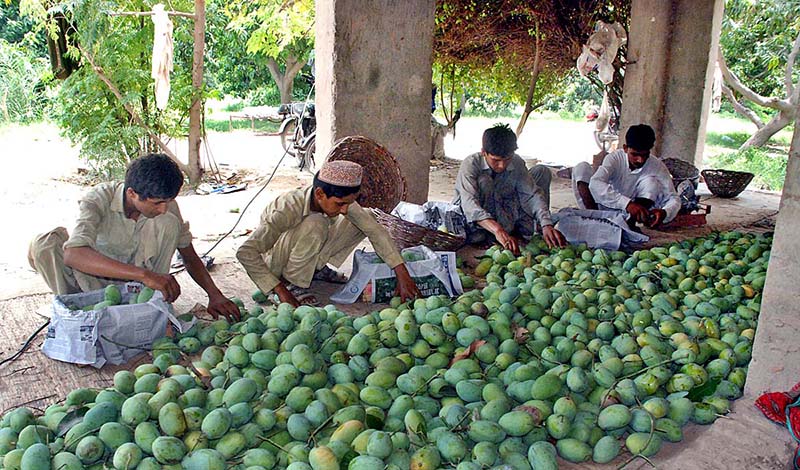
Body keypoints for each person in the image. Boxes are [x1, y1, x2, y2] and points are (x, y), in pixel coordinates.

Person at [28, 154, 240, 321]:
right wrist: (143, 274)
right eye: (156, 203)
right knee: (45, 242)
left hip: (140, 290)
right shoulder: (99, 199)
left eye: (168, 200)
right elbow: (74, 254)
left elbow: (189, 255)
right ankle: (78, 312)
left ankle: (153, 302)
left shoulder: (166, 208)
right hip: (94, 285)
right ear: (131, 194)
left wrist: (214, 294)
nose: (164, 208)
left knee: (168, 221)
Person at [236, 160, 422, 307]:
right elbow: (246, 252)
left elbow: (375, 231)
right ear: (319, 194)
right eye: (340, 204)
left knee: (366, 217)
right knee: (316, 223)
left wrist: (402, 274)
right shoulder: (287, 208)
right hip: (276, 262)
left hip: (305, 249)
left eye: (348, 203)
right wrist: (279, 290)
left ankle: (314, 269)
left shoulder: (341, 202)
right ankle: (293, 283)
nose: (344, 209)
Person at [453, 123, 567, 253]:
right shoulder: (471, 164)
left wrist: (546, 223)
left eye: (507, 159)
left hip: (503, 211)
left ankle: (522, 232)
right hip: (475, 223)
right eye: (496, 160)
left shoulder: (516, 161)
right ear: (483, 152)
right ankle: (488, 236)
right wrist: (497, 230)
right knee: (484, 181)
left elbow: (531, 194)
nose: (502, 166)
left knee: (541, 171)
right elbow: (469, 204)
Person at [572, 123, 680, 229]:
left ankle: (629, 224)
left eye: (644, 155)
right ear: (625, 148)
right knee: (581, 168)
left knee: (651, 182)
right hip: (602, 206)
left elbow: (673, 198)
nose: (640, 160)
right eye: (635, 154)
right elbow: (596, 184)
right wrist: (626, 204)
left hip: (629, 214)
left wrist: (665, 212)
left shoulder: (657, 166)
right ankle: (594, 218)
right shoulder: (614, 158)